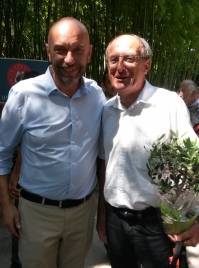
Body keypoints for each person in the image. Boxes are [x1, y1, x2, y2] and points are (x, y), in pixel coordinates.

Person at [0, 17, 106, 268]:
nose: (69, 60)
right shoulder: (24, 94)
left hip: (82, 213)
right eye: (60, 49)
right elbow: (2, 153)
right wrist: (5, 204)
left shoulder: (97, 96)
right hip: (37, 213)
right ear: (48, 51)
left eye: (78, 50)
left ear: (89, 53)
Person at [97, 34, 199, 268]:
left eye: (129, 59)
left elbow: (193, 165)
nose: (119, 67)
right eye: (113, 60)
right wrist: (102, 216)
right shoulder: (106, 110)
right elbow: (105, 164)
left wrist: (195, 220)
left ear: (147, 65)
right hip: (115, 221)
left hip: (158, 225)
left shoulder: (168, 103)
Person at [9, 70, 40, 268]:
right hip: (24, 178)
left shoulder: (36, 104)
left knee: (22, 223)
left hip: (28, 178)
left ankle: (17, 262)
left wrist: (15, 174)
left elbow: (24, 146)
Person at [177, 79, 199, 268]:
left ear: (195, 94)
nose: (180, 93)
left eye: (184, 91)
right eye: (179, 90)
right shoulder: (177, 107)